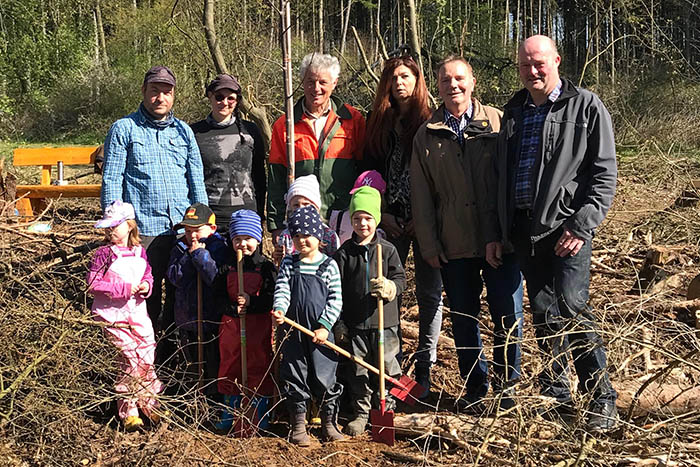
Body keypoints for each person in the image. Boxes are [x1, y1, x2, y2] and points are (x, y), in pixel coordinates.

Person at [496, 35, 618, 432]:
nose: (533, 70)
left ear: (556, 61)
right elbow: (503, 176)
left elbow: (604, 174)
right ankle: (558, 395)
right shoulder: (513, 112)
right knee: (545, 314)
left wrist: (581, 225)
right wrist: (502, 229)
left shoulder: (585, 107)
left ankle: (601, 397)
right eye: (525, 64)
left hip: (567, 230)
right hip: (525, 230)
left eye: (539, 63)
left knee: (573, 307)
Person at [411, 56, 524, 414]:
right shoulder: (426, 134)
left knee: (507, 314)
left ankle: (508, 386)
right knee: (464, 318)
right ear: (437, 86)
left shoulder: (498, 122)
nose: (453, 85)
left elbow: (514, 179)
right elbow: (421, 195)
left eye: (459, 78)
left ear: (473, 81)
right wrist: (429, 244)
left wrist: (514, 232)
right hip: (453, 243)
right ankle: (475, 386)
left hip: (501, 240)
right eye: (445, 80)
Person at [101, 65, 208, 363]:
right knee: (142, 300)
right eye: (155, 91)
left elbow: (195, 178)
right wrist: (116, 230)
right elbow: (112, 179)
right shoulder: (125, 129)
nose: (160, 97)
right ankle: (141, 363)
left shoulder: (183, 131)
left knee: (181, 299)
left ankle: (174, 360)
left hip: (180, 230)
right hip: (143, 231)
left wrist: (202, 223)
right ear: (144, 92)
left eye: (166, 91)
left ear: (173, 95)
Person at [363, 55, 444, 396]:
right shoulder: (378, 122)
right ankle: (388, 362)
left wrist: (425, 217)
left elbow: (441, 175)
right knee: (387, 289)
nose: (399, 82)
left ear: (417, 80)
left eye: (406, 76)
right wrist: (383, 213)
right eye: (394, 77)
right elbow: (368, 171)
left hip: (425, 219)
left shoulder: (432, 120)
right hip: (390, 218)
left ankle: (425, 364)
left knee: (429, 292)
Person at [267, 52, 365, 243]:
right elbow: (276, 178)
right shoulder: (285, 124)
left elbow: (364, 172)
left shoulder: (352, 120)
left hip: (344, 218)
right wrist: (276, 225)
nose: (316, 88)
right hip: (300, 223)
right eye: (310, 81)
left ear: (334, 83)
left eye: (323, 82)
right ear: (302, 82)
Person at [333, 186, 406, 436]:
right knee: (358, 368)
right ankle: (362, 412)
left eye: (367, 218)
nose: (362, 224)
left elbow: (401, 279)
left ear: (376, 219)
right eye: (356, 218)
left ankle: (387, 407)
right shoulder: (344, 254)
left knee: (387, 366)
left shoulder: (387, 250)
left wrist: (389, 287)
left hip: (385, 323)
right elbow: (337, 289)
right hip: (356, 325)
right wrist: (339, 322)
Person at [271, 206, 344, 446]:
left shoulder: (329, 266)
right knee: (294, 374)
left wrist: (324, 326)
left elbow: (335, 299)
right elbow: (282, 288)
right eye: (297, 236)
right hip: (293, 332)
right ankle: (298, 425)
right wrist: (280, 309)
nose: (302, 240)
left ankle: (329, 422)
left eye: (307, 235)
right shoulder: (289, 264)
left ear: (318, 236)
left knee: (325, 375)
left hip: (320, 333)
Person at [87, 201, 163, 432]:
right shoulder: (103, 254)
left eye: (115, 226)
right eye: (107, 227)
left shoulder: (140, 252)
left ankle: (150, 402)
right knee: (129, 358)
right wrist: (124, 289)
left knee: (146, 355)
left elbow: (148, 275)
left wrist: (146, 286)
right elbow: (93, 285)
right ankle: (128, 409)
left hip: (138, 312)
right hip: (112, 315)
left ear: (129, 226)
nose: (110, 231)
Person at [216, 210, 277, 431]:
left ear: (258, 239)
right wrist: (232, 308)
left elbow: (271, 298)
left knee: (257, 363)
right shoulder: (226, 267)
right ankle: (229, 411)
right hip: (231, 326)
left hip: (257, 326)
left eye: (248, 239)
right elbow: (218, 296)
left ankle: (259, 410)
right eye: (237, 239)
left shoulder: (266, 267)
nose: (243, 244)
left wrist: (252, 302)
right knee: (230, 364)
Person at [166, 203, 230, 393]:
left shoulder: (219, 248)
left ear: (212, 228)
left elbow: (215, 278)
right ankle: (194, 397)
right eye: (187, 230)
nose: (192, 235)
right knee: (192, 364)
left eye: (197, 230)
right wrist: (189, 256)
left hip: (210, 320)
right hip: (187, 320)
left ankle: (214, 400)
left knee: (213, 363)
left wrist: (200, 255)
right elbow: (174, 276)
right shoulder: (179, 248)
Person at [191, 74, 266, 234]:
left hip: (247, 218)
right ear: (210, 97)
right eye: (219, 97)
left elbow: (260, 176)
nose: (224, 102)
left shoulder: (250, 131)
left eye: (230, 98)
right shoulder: (194, 132)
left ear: (237, 100)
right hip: (209, 218)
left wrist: (260, 215)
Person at [273, 174, 341, 263]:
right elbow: (282, 266)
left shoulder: (329, 235)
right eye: (296, 205)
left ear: (316, 206)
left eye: (306, 204)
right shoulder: (286, 235)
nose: (301, 209)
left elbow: (336, 263)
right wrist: (278, 258)